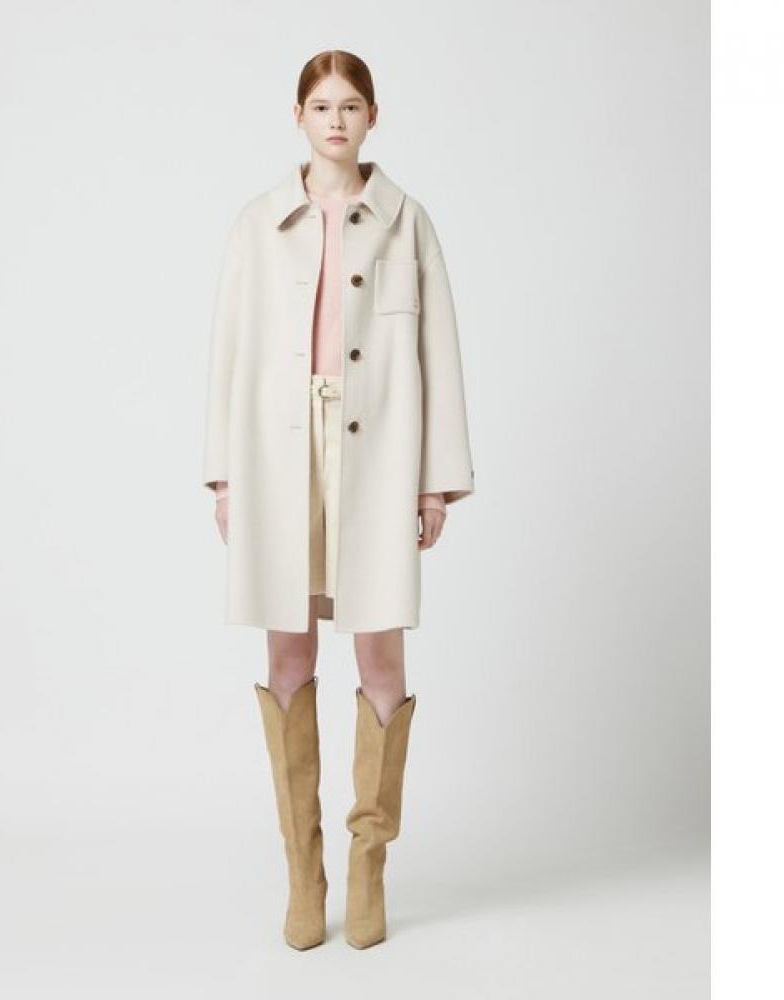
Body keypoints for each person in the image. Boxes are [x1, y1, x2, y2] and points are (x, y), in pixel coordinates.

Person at [201, 50, 475, 949]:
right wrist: (225, 475)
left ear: (372, 117)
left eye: (350, 105)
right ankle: (303, 876)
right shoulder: (258, 223)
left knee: (380, 652)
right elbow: (229, 350)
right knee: (288, 650)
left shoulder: (407, 222)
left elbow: (439, 353)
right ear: (298, 116)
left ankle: (367, 870)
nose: (335, 120)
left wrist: (435, 480)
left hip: (379, 453)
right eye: (321, 106)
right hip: (278, 455)